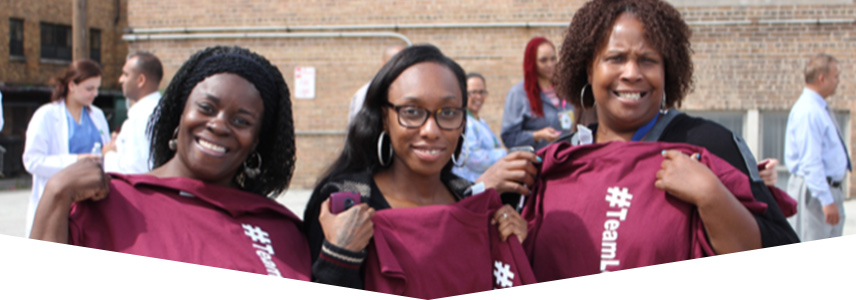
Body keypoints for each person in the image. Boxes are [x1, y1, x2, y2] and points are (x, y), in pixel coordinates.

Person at [525, 0, 798, 280]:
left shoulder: (709, 145)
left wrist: (711, 195)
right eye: (616, 58)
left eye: (648, 60)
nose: (632, 73)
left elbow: (784, 260)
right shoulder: (557, 161)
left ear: (668, 72)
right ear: (588, 70)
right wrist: (492, 190)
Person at [29, 46, 311, 280]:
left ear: (257, 141)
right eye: (206, 108)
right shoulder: (107, 205)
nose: (218, 125)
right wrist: (56, 193)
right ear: (179, 112)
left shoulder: (283, 232)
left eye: (241, 121)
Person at [303, 45, 539, 295]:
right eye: (412, 112)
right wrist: (338, 259)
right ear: (385, 117)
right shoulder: (343, 205)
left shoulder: (472, 205)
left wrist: (515, 246)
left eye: (448, 113)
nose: (431, 130)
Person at [22, 59, 111, 238]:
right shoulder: (46, 115)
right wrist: (77, 160)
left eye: (97, 88)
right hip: (60, 202)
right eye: (89, 88)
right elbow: (32, 161)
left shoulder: (97, 115)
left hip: (92, 204)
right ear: (72, 85)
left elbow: (104, 154)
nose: (95, 94)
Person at [784, 53, 848, 241]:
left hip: (826, 189)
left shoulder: (818, 108)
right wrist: (826, 200)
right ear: (822, 78)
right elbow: (810, 161)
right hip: (815, 193)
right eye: (835, 76)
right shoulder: (809, 111)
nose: (838, 81)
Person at [501, 37, 573, 151]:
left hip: (566, 159)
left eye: (553, 59)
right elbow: (509, 138)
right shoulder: (518, 94)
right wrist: (537, 135)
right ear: (532, 62)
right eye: (543, 60)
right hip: (536, 163)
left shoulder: (565, 90)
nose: (550, 64)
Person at [102, 52, 164, 174]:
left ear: (140, 80)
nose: (120, 80)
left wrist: (108, 153)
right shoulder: (157, 108)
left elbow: (136, 170)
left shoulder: (143, 115)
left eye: (126, 74)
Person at [452, 73, 507, 182]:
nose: (478, 97)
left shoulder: (481, 122)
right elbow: (471, 157)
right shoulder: (463, 123)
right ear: (463, 94)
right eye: (473, 92)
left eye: (482, 92)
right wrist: (504, 154)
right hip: (469, 185)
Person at [348, 44, 406, 125]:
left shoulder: (413, 91)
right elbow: (357, 129)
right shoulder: (366, 93)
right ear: (383, 64)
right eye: (395, 63)